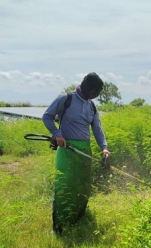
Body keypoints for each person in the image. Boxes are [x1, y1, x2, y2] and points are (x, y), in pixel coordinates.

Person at [42, 72, 111, 235]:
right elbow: (47, 116)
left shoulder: (91, 106)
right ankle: (58, 227)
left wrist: (104, 148)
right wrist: (57, 134)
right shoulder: (65, 99)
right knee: (64, 187)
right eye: (95, 92)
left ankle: (77, 219)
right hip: (67, 151)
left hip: (84, 151)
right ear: (88, 87)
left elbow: (97, 129)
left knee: (82, 186)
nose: (96, 96)